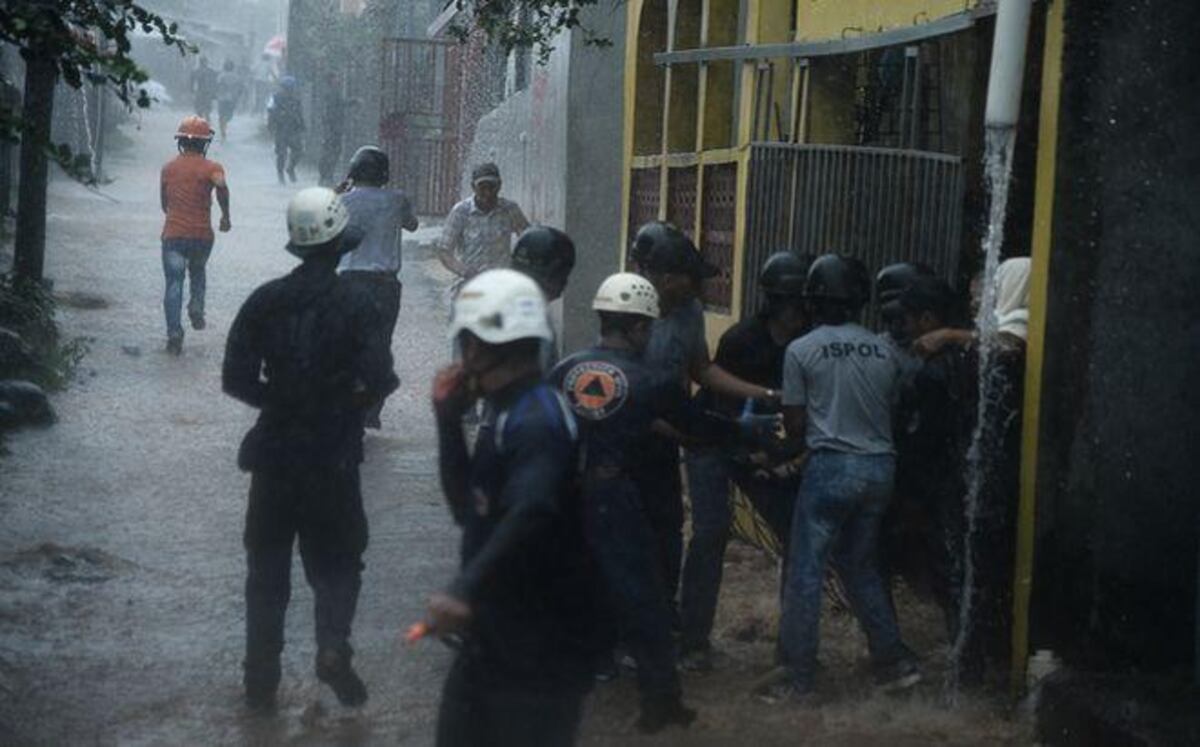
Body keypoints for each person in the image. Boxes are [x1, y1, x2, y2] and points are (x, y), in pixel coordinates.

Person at [222, 187, 398, 711]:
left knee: (266, 573)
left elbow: (235, 379)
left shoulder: (264, 300)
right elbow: (380, 378)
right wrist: (343, 404)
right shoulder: (359, 305)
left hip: (273, 457)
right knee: (340, 563)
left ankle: (259, 683)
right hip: (333, 460)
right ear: (339, 245)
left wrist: (280, 401)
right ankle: (332, 646)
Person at [427, 269, 600, 746]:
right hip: (497, 632)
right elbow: (468, 510)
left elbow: (532, 508)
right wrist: (447, 424)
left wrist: (462, 589)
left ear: (478, 348)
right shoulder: (504, 412)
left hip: (542, 646)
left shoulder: (537, 419)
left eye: (464, 343)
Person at [550, 273, 696, 733]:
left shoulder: (563, 370)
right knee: (644, 598)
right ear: (638, 328)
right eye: (646, 329)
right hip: (614, 495)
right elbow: (697, 428)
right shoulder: (651, 380)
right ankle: (660, 703)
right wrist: (749, 434)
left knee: (574, 586)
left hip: (563, 498)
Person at [773, 254, 921, 703]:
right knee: (861, 566)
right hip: (881, 469)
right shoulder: (885, 351)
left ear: (813, 300)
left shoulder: (800, 350)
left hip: (831, 468)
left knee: (805, 571)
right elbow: (893, 411)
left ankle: (797, 678)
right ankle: (892, 662)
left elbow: (795, 426)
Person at [631, 221, 778, 627]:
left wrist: (761, 395)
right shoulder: (628, 313)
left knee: (669, 530)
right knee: (628, 534)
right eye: (688, 280)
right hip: (628, 442)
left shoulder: (689, 312)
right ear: (660, 277)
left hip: (668, 438)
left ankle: (668, 624)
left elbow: (702, 370)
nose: (696, 289)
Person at [679, 251, 812, 672]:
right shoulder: (741, 340)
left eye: (803, 304)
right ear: (773, 302)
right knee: (711, 532)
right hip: (714, 441)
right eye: (792, 304)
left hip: (764, 445)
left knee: (795, 534)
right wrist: (751, 441)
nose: (799, 314)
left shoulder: (806, 343)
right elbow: (719, 410)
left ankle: (792, 651)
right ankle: (693, 641)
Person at [336, 146, 419, 428]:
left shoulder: (342, 202)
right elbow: (413, 225)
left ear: (353, 172)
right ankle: (372, 408)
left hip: (348, 283)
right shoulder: (397, 200)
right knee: (380, 344)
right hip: (384, 286)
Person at [159, 115, 230, 355]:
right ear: (204, 144)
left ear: (181, 142)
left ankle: (174, 333)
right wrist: (225, 217)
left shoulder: (168, 168)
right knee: (198, 271)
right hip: (202, 236)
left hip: (173, 236)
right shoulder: (213, 168)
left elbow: (164, 204)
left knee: (174, 282)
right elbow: (221, 186)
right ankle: (197, 306)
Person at [437, 162, 529, 294]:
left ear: (499, 186)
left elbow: (528, 239)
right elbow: (444, 251)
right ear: (473, 187)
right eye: (482, 187)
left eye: (492, 187)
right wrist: (465, 271)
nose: (487, 193)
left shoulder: (510, 209)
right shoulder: (461, 212)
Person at [510, 225, 576, 370]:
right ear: (553, 273)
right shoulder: (533, 318)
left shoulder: (498, 302)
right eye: (564, 273)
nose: (566, 282)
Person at [268, 76, 305, 184]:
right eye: (286, 88)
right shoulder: (275, 98)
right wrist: (271, 125)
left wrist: (302, 125)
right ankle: (280, 174)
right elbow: (270, 111)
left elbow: (299, 113)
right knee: (281, 154)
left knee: (298, 151)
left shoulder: (296, 99)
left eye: (290, 88)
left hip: (293, 128)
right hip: (281, 128)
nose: (288, 91)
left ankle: (290, 168)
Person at [215, 60, 243, 141]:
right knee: (229, 115)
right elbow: (241, 88)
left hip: (222, 98)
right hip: (232, 99)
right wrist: (238, 96)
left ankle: (222, 131)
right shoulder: (237, 77)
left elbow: (217, 86)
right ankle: (224, 125)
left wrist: (216, 94)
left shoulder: (221, 76)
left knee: (221, 115)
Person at [191, 56, 218, 121]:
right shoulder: (211, 71)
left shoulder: (196, 71)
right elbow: (214, 83)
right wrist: (214, 92)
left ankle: (202, 121)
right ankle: (206, 121)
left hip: (200, 92)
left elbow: (191, 82)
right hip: (206, 92)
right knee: (206, 109)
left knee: (200, 109)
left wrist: (192, 90)